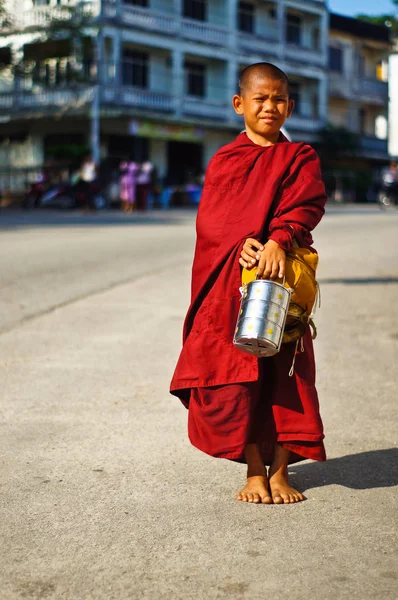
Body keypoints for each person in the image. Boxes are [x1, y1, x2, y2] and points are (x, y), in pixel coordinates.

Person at [170, 63, 327, 505]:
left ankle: (280, 472)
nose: (269, 107)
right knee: (238, 376)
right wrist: (241, 245)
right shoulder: (225, 159)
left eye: (278, 99)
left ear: (290, 106)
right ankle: (254, 471)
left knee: (284, 374)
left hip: (279, 280)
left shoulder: (300, 157)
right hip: (230, 284)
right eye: (260, 99)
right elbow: (214, 225)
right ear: (240, 104)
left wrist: (279, 239)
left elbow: (307, 206)